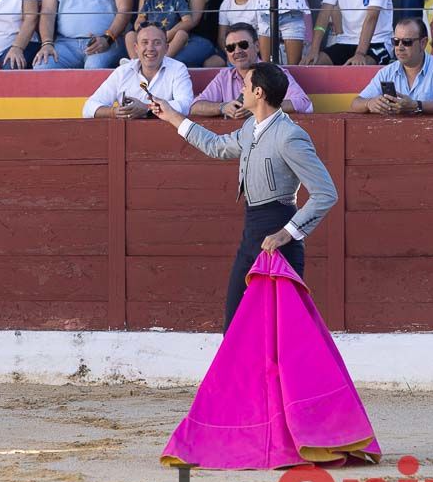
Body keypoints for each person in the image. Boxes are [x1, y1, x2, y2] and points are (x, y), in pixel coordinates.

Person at [150, 62, 337, 331]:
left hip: (279, 240)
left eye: (246, 84)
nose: (241, 88)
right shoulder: (251, 127)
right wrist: (172, 117)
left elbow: (325, 193)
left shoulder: (289, 136)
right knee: (236, 326)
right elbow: (216, 147)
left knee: (281, 332)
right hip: (252, 234)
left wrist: (288, 232)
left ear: (258, 92)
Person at [191, 22, 314, 116]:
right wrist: (222, 107)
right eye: (230, 48)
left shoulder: (273, 72)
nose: (237, 51)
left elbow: (304, 103)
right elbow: (195, 106)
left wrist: (261, 108)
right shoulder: (224, 77)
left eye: (243, 45)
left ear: (256, 46)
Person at [352, 17, 433, 114]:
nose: (399, 47)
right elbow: (355, 103)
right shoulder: (386, 72)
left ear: (423, 43)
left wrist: (417, 106)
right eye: (395, 41)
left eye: (406, 42)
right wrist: (369, 104)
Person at [83, 24, 194, 117]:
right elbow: (88, 108)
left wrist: (147, 108)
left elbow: (186, 105)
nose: (150, 48)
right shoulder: (122, 72)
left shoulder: (178, 69)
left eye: (157, 43)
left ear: (166, 48)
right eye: (144, 42)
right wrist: (114, 112)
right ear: (136, 48)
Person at [128, 0, 193, 61]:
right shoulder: (149, 2)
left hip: (168, 37)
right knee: (130, 35)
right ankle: (136, 61)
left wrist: (171, 32)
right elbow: (140, 18)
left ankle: (163, 60)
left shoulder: (178, 0)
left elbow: (188, 22)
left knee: (182, 34)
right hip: (149, 36)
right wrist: (140, 28)